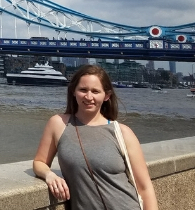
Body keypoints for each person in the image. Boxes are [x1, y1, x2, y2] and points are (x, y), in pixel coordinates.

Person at [32, 65, 158, 209]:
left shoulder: (122, 132)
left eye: (95, 91)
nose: (89, 97)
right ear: (73, 91)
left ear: (107, 96)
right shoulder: (58, 124)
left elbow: (145, 187)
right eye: (83, 90)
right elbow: (39, 162)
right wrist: (50, 175)